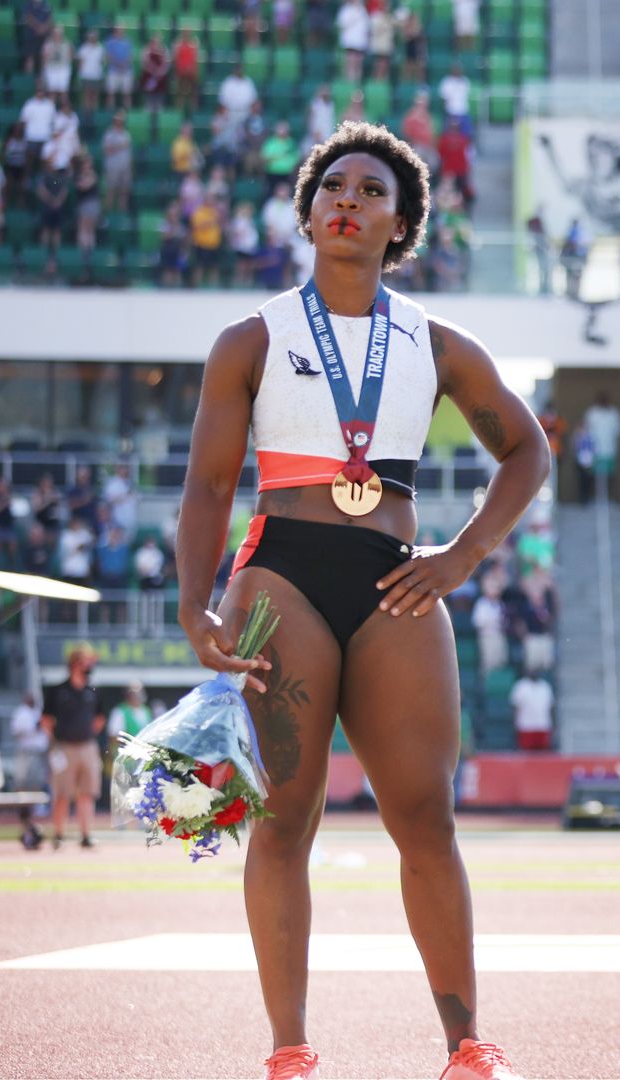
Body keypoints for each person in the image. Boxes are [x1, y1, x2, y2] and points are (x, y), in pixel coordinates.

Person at [175, 122, 548, 1080]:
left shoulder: (435, 342)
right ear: (307, 214)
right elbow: (211, 486)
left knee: (425, 817)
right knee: (284, 816)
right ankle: (289, 1048)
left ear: (400, 224)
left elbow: (529, 450)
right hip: (280, 574)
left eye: (372, 190)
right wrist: (193, 603)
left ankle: (468, 1043)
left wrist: (464, 555)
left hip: (397, 580)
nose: (348, 199)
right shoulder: (250, 339)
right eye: (332, 186)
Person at [43, 643, 106, 850]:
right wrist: (57, 742)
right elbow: (46, 720)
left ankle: (86, 835)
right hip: (64, 747)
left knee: (87, 793)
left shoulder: (92, 690)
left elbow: (99, 719)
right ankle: (59, 834)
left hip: (87, 746)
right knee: (62, 793)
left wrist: (85, 734)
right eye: (87, 661)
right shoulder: (58, 690)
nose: (90, 665)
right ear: (76, 663)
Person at [581, 392, 620, 502]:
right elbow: (585, 431)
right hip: (595, 451)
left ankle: (610, 498)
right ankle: (593, 498)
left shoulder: (614, 413)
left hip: (610, 450)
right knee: (594, 475)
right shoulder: (592, 413)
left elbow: (619, 431)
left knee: (610, 476)